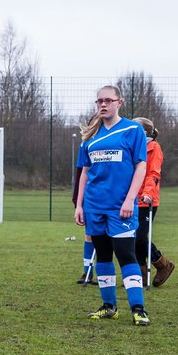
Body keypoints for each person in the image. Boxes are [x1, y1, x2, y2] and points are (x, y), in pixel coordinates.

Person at [74, 85, 150, 325]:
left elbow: (141, 166)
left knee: (126, 255)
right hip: (94, 207)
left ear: (120, 102)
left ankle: (138, 308)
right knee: (103, 256)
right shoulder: (89, 136)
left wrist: (130, 199)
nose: (103, 104)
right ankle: (109, 306)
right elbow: (84, 172)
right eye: (99, 101)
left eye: (108, 100)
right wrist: (79, 204)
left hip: (121, 207)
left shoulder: (132, 129)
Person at [134, 117, 175, 287]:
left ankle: (163, 264)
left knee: (140, 238)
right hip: (131, 199)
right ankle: (141, 275)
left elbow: (153, 174)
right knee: (132, 237)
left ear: (143, 132)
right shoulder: (132, 147)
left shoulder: (154, 149)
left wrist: (148, 194)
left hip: (147, 200)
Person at [73, 114, 101, 285]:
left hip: (108, 199)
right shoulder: (86, 145)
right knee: (89, 235)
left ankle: (102, 273)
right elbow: (80, 173)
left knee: (104, 238)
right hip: (89, 198)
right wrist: (78, 201)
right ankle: (87, 272)